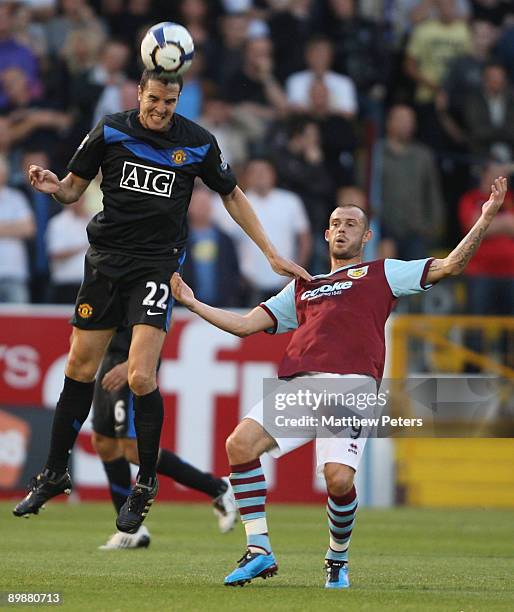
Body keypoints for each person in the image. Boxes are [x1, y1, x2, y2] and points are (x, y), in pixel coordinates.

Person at [13, 69, 310, 537]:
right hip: (105, 264)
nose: (160, 109)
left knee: (140, 375)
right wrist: (52, 185)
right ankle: (54, 473)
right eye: (154, 99)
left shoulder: (197, 142)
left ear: (178, 100)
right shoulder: (110, 129)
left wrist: (271, 252)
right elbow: (73, 188)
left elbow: (231, 194)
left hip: (156, 266)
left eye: (169, 102)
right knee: (78, 366)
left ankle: (145, 484)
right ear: (139, 94)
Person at [171, 177, 507, 588]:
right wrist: (190, 302)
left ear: (366, 237)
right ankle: (259, 550)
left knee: (338, 480)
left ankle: (337, 558)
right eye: (337, 222)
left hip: (351, 387)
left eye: (352, 223)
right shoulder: (304, 285)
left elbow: (451, 265)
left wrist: (487, 216)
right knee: (239, 444)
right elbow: (243, 326)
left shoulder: (383, 273)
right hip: (300, 384)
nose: (343, 228)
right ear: (327, 233)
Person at [91, 327, 237, 549]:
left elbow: (152, 322)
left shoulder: (142, 292)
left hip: (133, 361)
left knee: (132, 449)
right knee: (104, 442)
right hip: (108, 360)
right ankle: (132, 531)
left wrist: (130, 363)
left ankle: (218, 489)